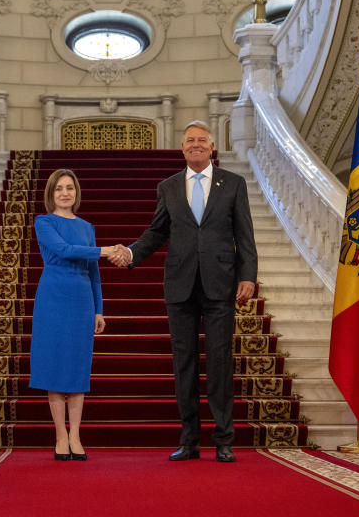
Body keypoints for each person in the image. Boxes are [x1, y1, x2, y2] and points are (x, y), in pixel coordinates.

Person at [109, 120, 257, 463]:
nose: (195, 144)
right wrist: (131, 253)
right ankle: (189, 441)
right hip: (180, 286)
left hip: (221, 285)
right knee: (184, 365)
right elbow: (157, 231)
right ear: (182, 147)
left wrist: (248, 275)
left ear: (211, 145)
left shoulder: (233, 184)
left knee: (220, 364)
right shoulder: (169, 187)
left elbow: (244, 234)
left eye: (201, 140)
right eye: (189, 140)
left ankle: (223, 441)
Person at [29, 168, 120, 461]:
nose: (65, 193)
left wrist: (99, 310)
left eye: (69, 188)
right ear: (51, 194)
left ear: (76, 193)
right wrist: (106, 250)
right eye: (59, 188)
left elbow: (94, 274)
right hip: (53, 297)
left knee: (78, 369)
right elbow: (64, 250)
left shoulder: (87, 227)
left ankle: (76, 435)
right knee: (56, 369)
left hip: (81, 300)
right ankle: (60, 435)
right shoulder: (43, 221)